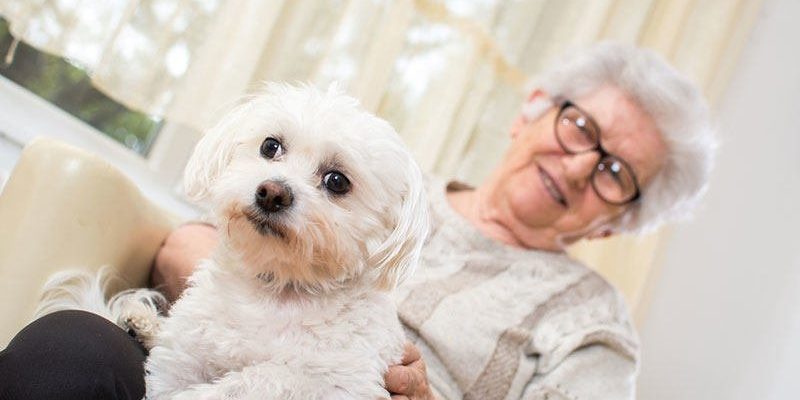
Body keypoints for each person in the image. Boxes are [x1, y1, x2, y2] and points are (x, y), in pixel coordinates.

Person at [0, 42, 715, 400]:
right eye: (578, 124)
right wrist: (260, 317)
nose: (581, 164)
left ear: (621, 224)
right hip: (207, 359)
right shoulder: (388, 182)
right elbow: (198, 237)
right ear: (532, 109)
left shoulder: (594, 323)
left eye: (617, 172)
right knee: (70, 350)